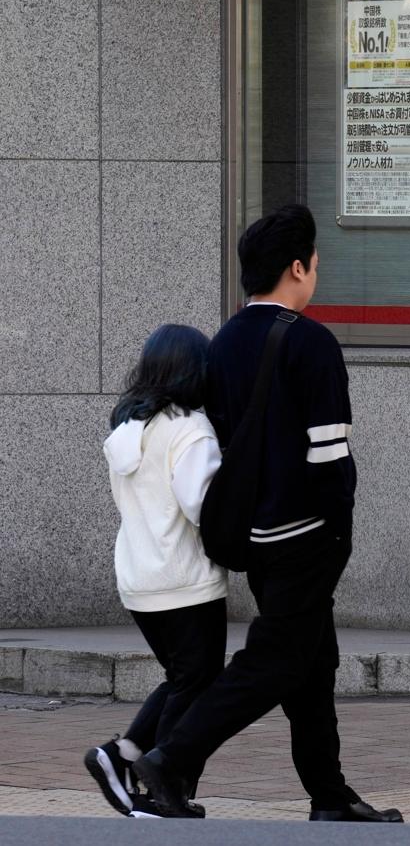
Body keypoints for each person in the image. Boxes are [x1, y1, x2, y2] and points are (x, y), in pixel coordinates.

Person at [132, 204, 402, 822]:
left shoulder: (224, 342)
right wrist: (340, 526)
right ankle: (171, 758)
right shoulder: (311, 341)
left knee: (314, 660)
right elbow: (331, 455)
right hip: (308, 533)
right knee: (275, 660)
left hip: (255, 537)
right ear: (298, 268)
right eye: (314, 263)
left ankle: (329, 794)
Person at [85, 324, 226, 819]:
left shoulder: (128, 428)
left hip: (139, 579)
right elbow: (201, 505)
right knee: (198, 681)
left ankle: (121, 755)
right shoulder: (190, 428)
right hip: (185, 578)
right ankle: (163, 788)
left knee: (183, 676)